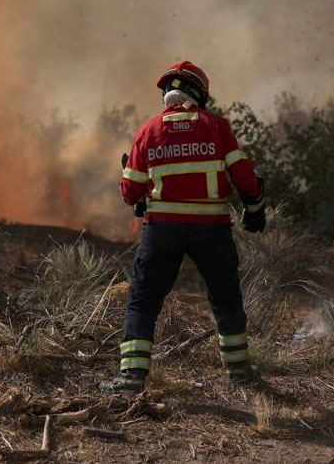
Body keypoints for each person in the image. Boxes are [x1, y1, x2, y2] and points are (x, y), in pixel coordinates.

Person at [103, 60, 267, 393]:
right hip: (212, 228)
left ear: (167, 94)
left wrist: (129, 178)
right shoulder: (217, 127)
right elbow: (245, 177)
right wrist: (254, 209)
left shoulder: (148, 131)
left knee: (145, 299)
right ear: (199, 94)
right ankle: (240, 374)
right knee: (225, 297)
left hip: (162, 229)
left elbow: (130, 192)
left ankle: (131, 377)